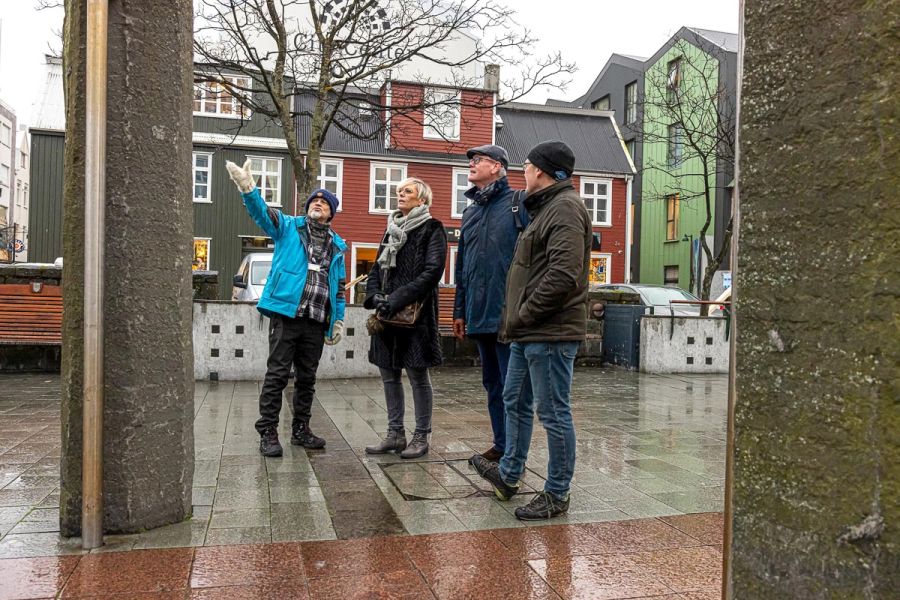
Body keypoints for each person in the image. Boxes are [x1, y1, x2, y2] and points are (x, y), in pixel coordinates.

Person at [470, 140, 591, 520]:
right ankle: (508, 475)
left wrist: (522, 314)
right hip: (528, 332)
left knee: (553, 412)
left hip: (549, 332)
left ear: (539, 170)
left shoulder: (566, 209)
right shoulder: (544, 209)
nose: (523, 172)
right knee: (514, 401)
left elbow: (563, 275)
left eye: (526, 166)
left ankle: (557, 492)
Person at [225, 158, 347, 458]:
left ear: (332, 212)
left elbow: (339, 289)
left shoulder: (338, 246)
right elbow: (261, 214)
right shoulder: (289, 227)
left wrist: (338, 321)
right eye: (313, 201)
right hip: (286, 314)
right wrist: (248, 189)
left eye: (323, 202)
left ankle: (300, 429)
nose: (317, 203)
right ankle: (267, 431)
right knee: (277, 374)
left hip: (316, 319)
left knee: (307, 378)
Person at [453, 144, 528, 461]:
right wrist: (460, 309)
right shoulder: (470, 212)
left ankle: (514, 452)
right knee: (492, 384)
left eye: (478, 160)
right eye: (470, 160)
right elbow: (462, 265)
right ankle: (501, 444)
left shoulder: (518, 203)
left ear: (497, 167)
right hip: (478, 312)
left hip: (508, 313)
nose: (471, 164)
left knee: (513, 389)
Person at [364, 178, 447, 459]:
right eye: (399, 191)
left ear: (422, 200)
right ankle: (395, 434)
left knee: (417, 376)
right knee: (388, 375)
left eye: (407, 191)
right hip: (386, 316)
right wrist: (374, 296)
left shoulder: (432, 228)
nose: (400, 194)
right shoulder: (391, 229)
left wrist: (396, 299)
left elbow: (432, 272)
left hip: (416, 317)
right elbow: (376, 268)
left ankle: (421, 436)